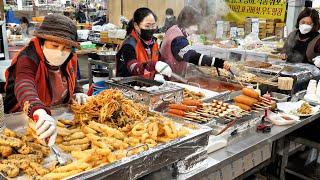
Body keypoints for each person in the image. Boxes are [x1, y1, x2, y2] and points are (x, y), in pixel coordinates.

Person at [4, 14, 88, 146]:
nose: (60, 53)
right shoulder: (27, 58)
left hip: (58, 115)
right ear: (42, 42)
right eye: (54, 46)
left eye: (66, 48)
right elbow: (24, 84)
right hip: (22, 119)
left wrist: (78, 91)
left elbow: (72, 77)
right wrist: (38, 111)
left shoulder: (70, 56)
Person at [159, 6, 230, 80]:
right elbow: (192, 56)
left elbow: (182, 54)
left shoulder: (174, 29)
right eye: (195, 24)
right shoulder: (178, 39)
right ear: (187, 22)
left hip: (169, 75)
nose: (196, 29)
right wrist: (219, 63)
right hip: (169, 79)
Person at [116, 8, 160, 79]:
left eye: (153, 25)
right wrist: (154, 65)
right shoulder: (129, 45)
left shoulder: (154, 42)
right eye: (147, 26)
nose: (151, 29)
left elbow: (157, 59)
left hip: (148, 86)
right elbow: (133, 67)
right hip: (129, 86)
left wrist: (158, 74)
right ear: (136, 26)